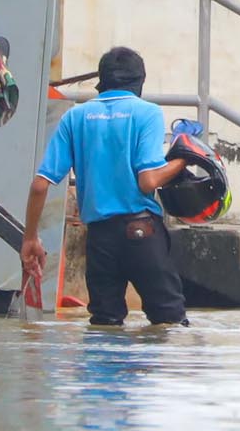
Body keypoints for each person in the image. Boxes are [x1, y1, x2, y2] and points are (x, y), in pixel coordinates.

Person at [21, 46, 190, 327]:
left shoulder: (75, 118)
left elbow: (40, 185)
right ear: (139, 82)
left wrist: (30, 238)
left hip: (100, 239)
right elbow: (148, 180)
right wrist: (183, 159)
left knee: (104, 324)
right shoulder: (146, 113)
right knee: (170, 324)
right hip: (142, 233)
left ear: (102, 81)